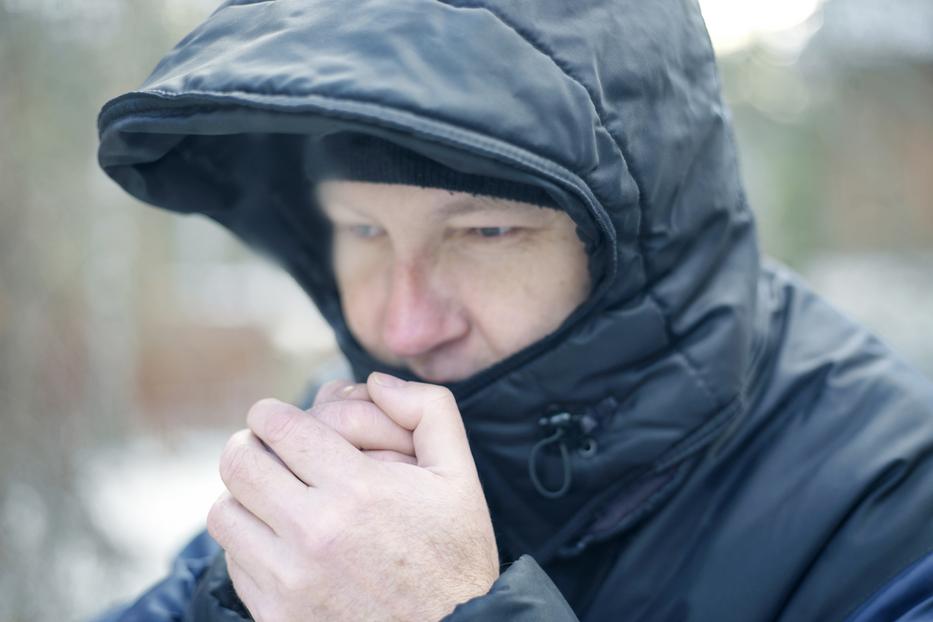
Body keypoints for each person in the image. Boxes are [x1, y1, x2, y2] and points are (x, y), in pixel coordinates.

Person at [93, 0, 933, 620]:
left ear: (638, 240)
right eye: (363, 229)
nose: (403, 326)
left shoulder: (894, 503)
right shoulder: (355, 460)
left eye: (487, 230)